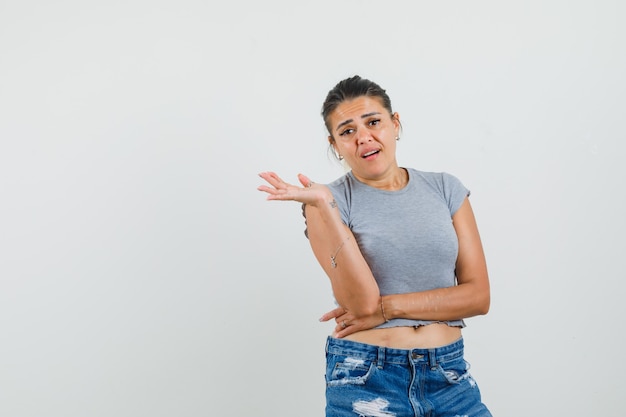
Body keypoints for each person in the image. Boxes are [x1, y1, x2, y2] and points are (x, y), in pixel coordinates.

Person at [258, 75, 492, 417]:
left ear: (395, 123)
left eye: (373, 122)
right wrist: (326, 205)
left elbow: (478, 297)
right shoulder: (326, 201)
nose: (363, 137)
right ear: (335, 144)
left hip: (449, 377)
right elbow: (362, 303)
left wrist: (388, 308)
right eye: (347, 130)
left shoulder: (446, 189)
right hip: (366, 378)